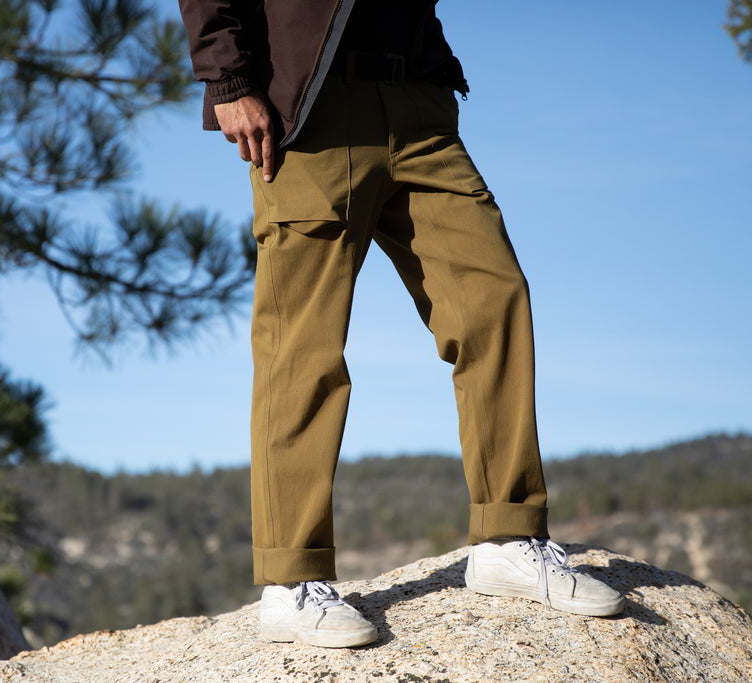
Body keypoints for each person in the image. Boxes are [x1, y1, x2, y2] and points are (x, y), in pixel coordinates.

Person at [177, 0, 624, 648]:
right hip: (311, 106)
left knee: (493, 297)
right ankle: (290, 580)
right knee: (302, 345)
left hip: (419, 105)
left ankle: (507, 537)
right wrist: (228, 79)